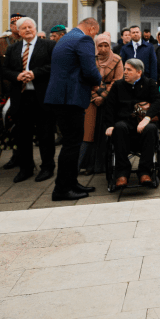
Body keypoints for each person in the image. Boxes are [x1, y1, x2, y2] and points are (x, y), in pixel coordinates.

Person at [44, 17, 104, 200]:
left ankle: (71, 183)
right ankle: (62, 189)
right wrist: (98, 83)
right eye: (96, 32)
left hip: (60, 97)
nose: (95, 37)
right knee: (72, 144)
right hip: (70, 98)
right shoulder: (83, 39)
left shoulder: (66, 37)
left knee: (71, 143)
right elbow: (89, 70)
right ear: (92, 29)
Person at [4, 17, 56, 183]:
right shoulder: (12, 48)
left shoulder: (48, 45)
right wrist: (17, 76)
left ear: (35, 28)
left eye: (30, 27)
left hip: (41, 96)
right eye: (23, 28)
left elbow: (54, 66)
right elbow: (5, 70)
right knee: (22, 135)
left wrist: (35, 73)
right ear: (18, 31)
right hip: (21, 97)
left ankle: (47, 167)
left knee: (45, 134)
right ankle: (26, 168)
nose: (27, 30)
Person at [103, 58, 160, 189]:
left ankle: (145, 172)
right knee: (119, 127)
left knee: (151, 128)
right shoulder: (118, 86)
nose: (125, 72)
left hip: (143, 123)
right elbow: (109, 107)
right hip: (124, 123)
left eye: (129, 70)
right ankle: (122, 173)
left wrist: (147, 118)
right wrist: (109, 125)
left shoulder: (149, 83)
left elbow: (157, 102)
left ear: (139, 72)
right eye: (125, 69)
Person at [80, 32, 122, 175]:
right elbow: (84, 79)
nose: (103, 49)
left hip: (109, 100)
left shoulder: (117, 59)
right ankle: (88, 165)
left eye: (106, 45)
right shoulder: (90, 59)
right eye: (100, 46)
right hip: (91, 100)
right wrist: (94, 96)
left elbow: (118, 80)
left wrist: (103, 96)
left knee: (105, 133)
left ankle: (103, 165)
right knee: (89, 133)